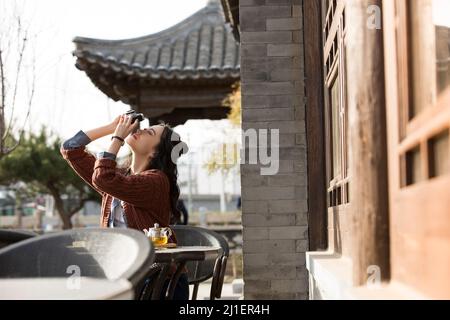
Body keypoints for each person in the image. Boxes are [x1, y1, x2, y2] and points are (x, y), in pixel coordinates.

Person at [60, 113, 189, 300]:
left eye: (149, 132)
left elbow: (103, 178)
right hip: (126, 277)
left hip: (159, 283)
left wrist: (118, 139)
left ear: (154, 152)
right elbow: (71, 149)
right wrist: (112, 127)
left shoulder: (156, 181)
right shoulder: (120, 178)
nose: (141, 130)